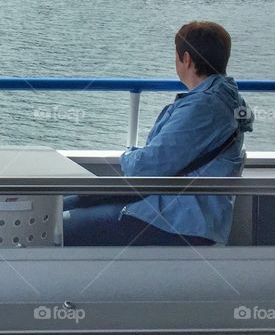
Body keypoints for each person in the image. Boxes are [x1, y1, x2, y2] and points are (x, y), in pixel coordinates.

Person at [64, 21, 254, 246]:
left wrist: (127, 156)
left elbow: (146, 167)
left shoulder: (203, 108)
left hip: (175, 220)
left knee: (59, 226)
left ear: (186, 59)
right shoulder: (225, 99)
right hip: (178, 209)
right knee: (66, 203)